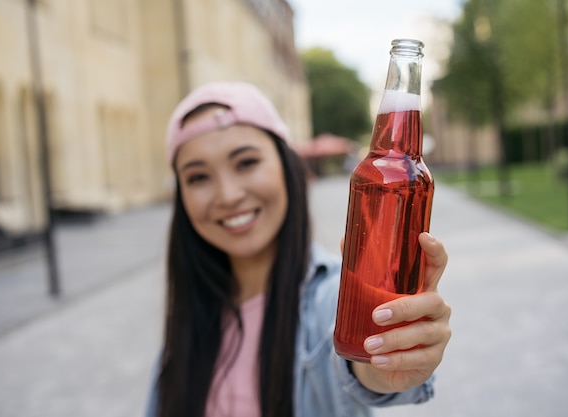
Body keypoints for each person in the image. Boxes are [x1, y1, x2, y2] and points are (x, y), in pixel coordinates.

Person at [145, 81, 451, 417]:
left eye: (246, 163)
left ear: (287, 167)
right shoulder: (190, 311)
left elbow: (356, 366)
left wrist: (382, 365)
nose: (228, 195)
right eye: (198, 177)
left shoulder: (332, 297)